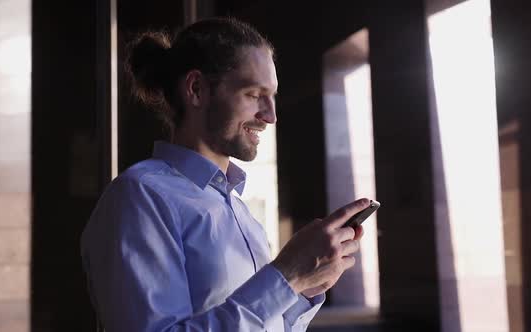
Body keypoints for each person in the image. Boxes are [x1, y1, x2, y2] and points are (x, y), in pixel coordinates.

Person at [80, 16, 371, 332]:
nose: (270, 116)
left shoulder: (241, 213)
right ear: (196, 89)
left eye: (271, 96)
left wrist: (305, 289)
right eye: (253, 94)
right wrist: (287, 275)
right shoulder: (140, 197)